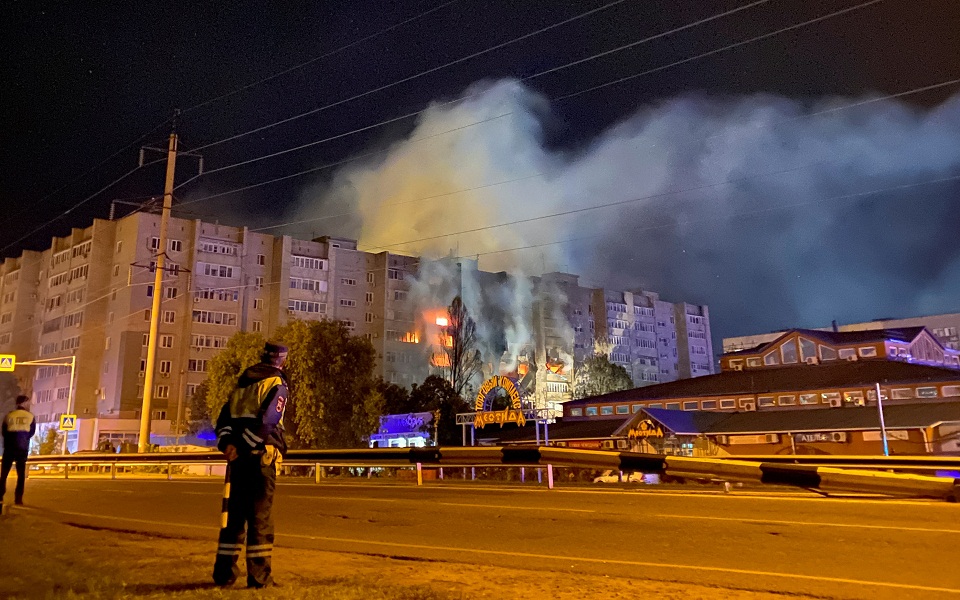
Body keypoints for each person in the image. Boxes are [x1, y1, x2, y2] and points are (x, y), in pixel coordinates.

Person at [213, 342, 290, 588]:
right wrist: (246, 446)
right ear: (282, 361)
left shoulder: (242, 382)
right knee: (260, 519)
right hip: (260, 458)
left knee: (233, 518)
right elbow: (268, 420)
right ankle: (259, 577)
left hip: (237, 460)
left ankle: (224, 574)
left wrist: (228, 445)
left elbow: (224, 418)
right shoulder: (276, 383)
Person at [2, 395, 37, 506]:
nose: (29, 404)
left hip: (9, 447)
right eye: (27, 402)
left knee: (4, 474)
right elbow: (32, 432)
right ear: (23, 403)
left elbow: (3, 431)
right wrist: (23, 439)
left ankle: (0, 496)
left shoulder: (9, 415)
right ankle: (18, 499)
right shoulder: (30, 416)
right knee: (21, 475)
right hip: (22, 447)